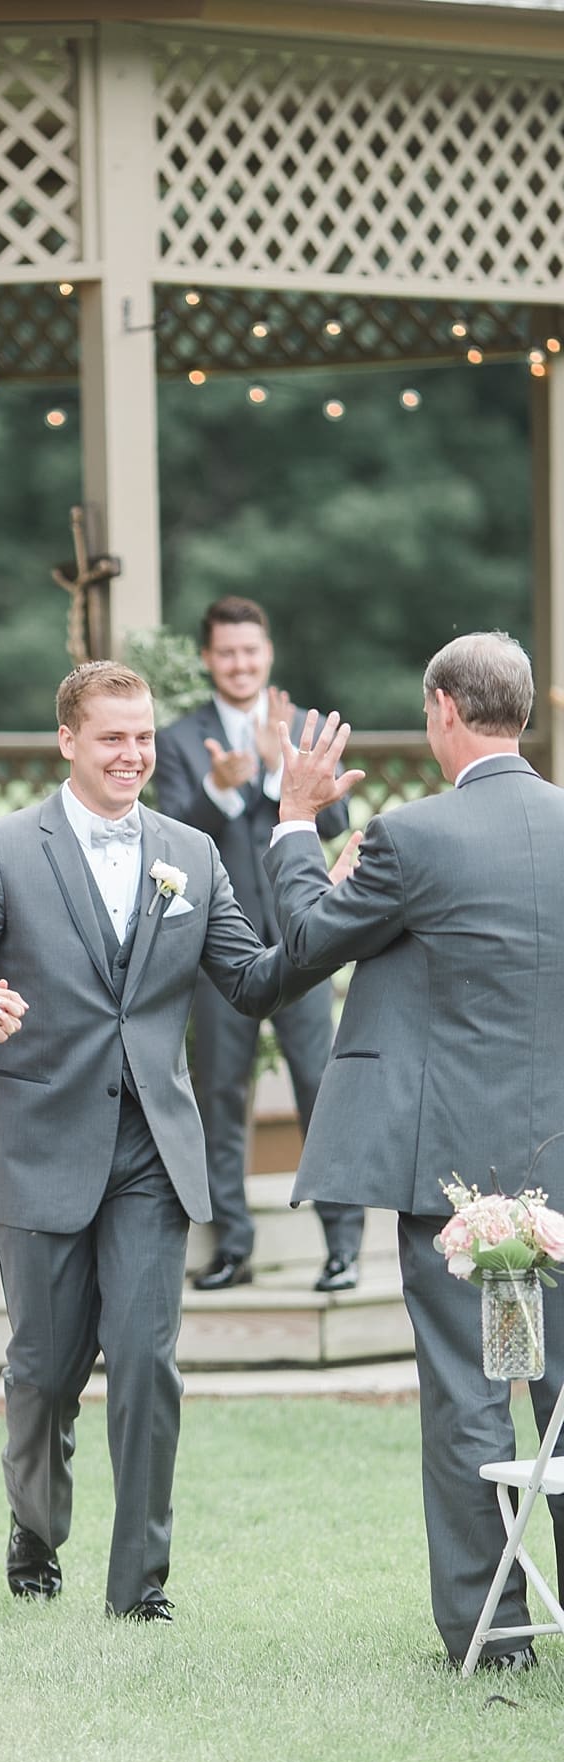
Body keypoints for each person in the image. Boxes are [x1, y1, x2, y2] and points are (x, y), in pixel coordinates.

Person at [0, 661, 329, 1621]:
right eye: (112, 738)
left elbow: (256, 980)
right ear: (68, 741)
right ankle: (36, 1526)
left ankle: (140, 1583)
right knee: (44, 1370)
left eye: (143, 736)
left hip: (151, 1146)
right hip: (38, 1139)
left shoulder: (193, 850)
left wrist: (328, 894)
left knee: (146, 1358)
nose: (133, 754)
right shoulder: (1, 848)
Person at [265, 631, 564, 1671]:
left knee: (468, 1399)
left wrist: (297, 822)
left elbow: (302, 949)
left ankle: (497, 1642)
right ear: (519, 710)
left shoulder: (410, 838)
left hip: (454, 1177)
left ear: (443, 709)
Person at [154, 596, 365, 1293]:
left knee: (320, 1087)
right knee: (220, 1094)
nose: (240, 663)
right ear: (209, 658)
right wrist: (219, 788)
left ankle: (343, 1246)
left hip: (304, 941)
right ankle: (232, 1247)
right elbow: (172, 838)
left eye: (251, 651)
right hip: (218, 949)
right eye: (226, 653)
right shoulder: (182, 739)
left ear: (266, 652)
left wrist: (282, 775)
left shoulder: (302, 726)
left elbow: (334, 819)